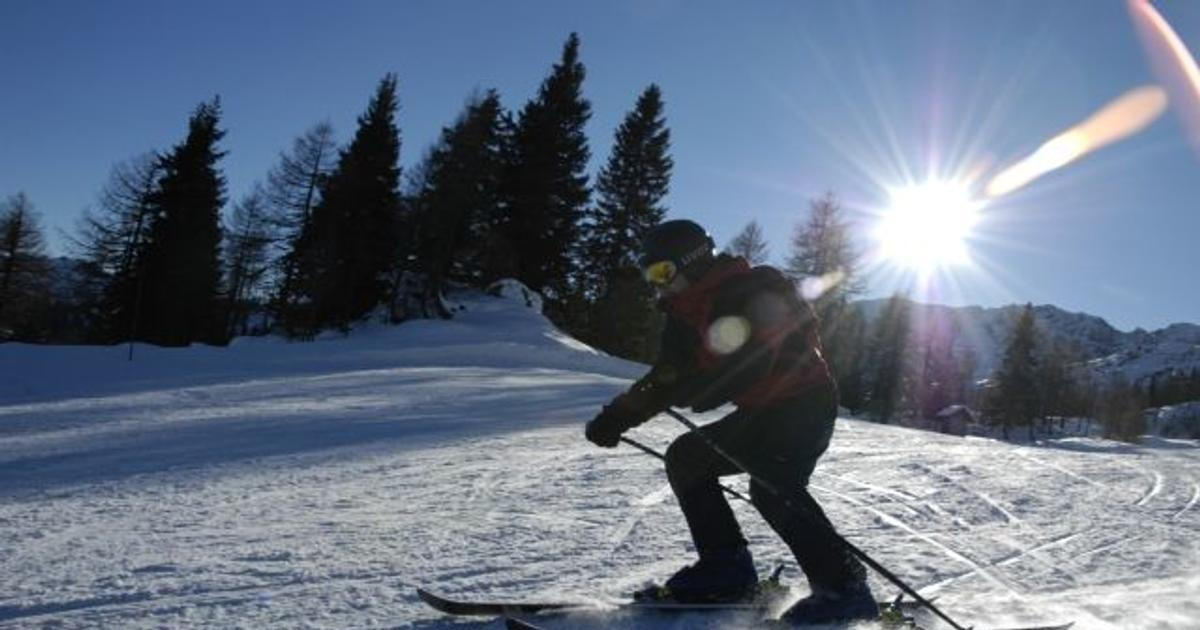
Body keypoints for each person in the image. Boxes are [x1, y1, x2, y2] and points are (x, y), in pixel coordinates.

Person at [584, 219, 878, 624]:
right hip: (761, 411)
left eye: (663, 272)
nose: (658, 285)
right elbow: (665, 378)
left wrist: (705, 389)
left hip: (805, 403)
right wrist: (617, 417)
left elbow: (754, 361)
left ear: (693, 261)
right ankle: (726, 570)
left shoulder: (752, 291)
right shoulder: (682, 315)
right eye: (650, 275)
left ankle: (844, 588)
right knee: (688, 458)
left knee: (773, 485)